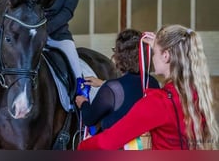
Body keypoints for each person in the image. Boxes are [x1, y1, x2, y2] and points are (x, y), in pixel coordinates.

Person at [78, 24, 219, 150]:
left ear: (166, 56)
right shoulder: (197, 93)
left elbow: (107, 143)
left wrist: (82, 147)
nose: (151, 57)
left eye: (154, 52)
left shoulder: (158, 102)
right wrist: (158, 45)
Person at [75, 29, 160, 134]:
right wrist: (103, 83)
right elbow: (130, 94)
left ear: (120, 57)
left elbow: (89, 119)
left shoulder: (112, 89)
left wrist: (83, 103)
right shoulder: (153, 83)